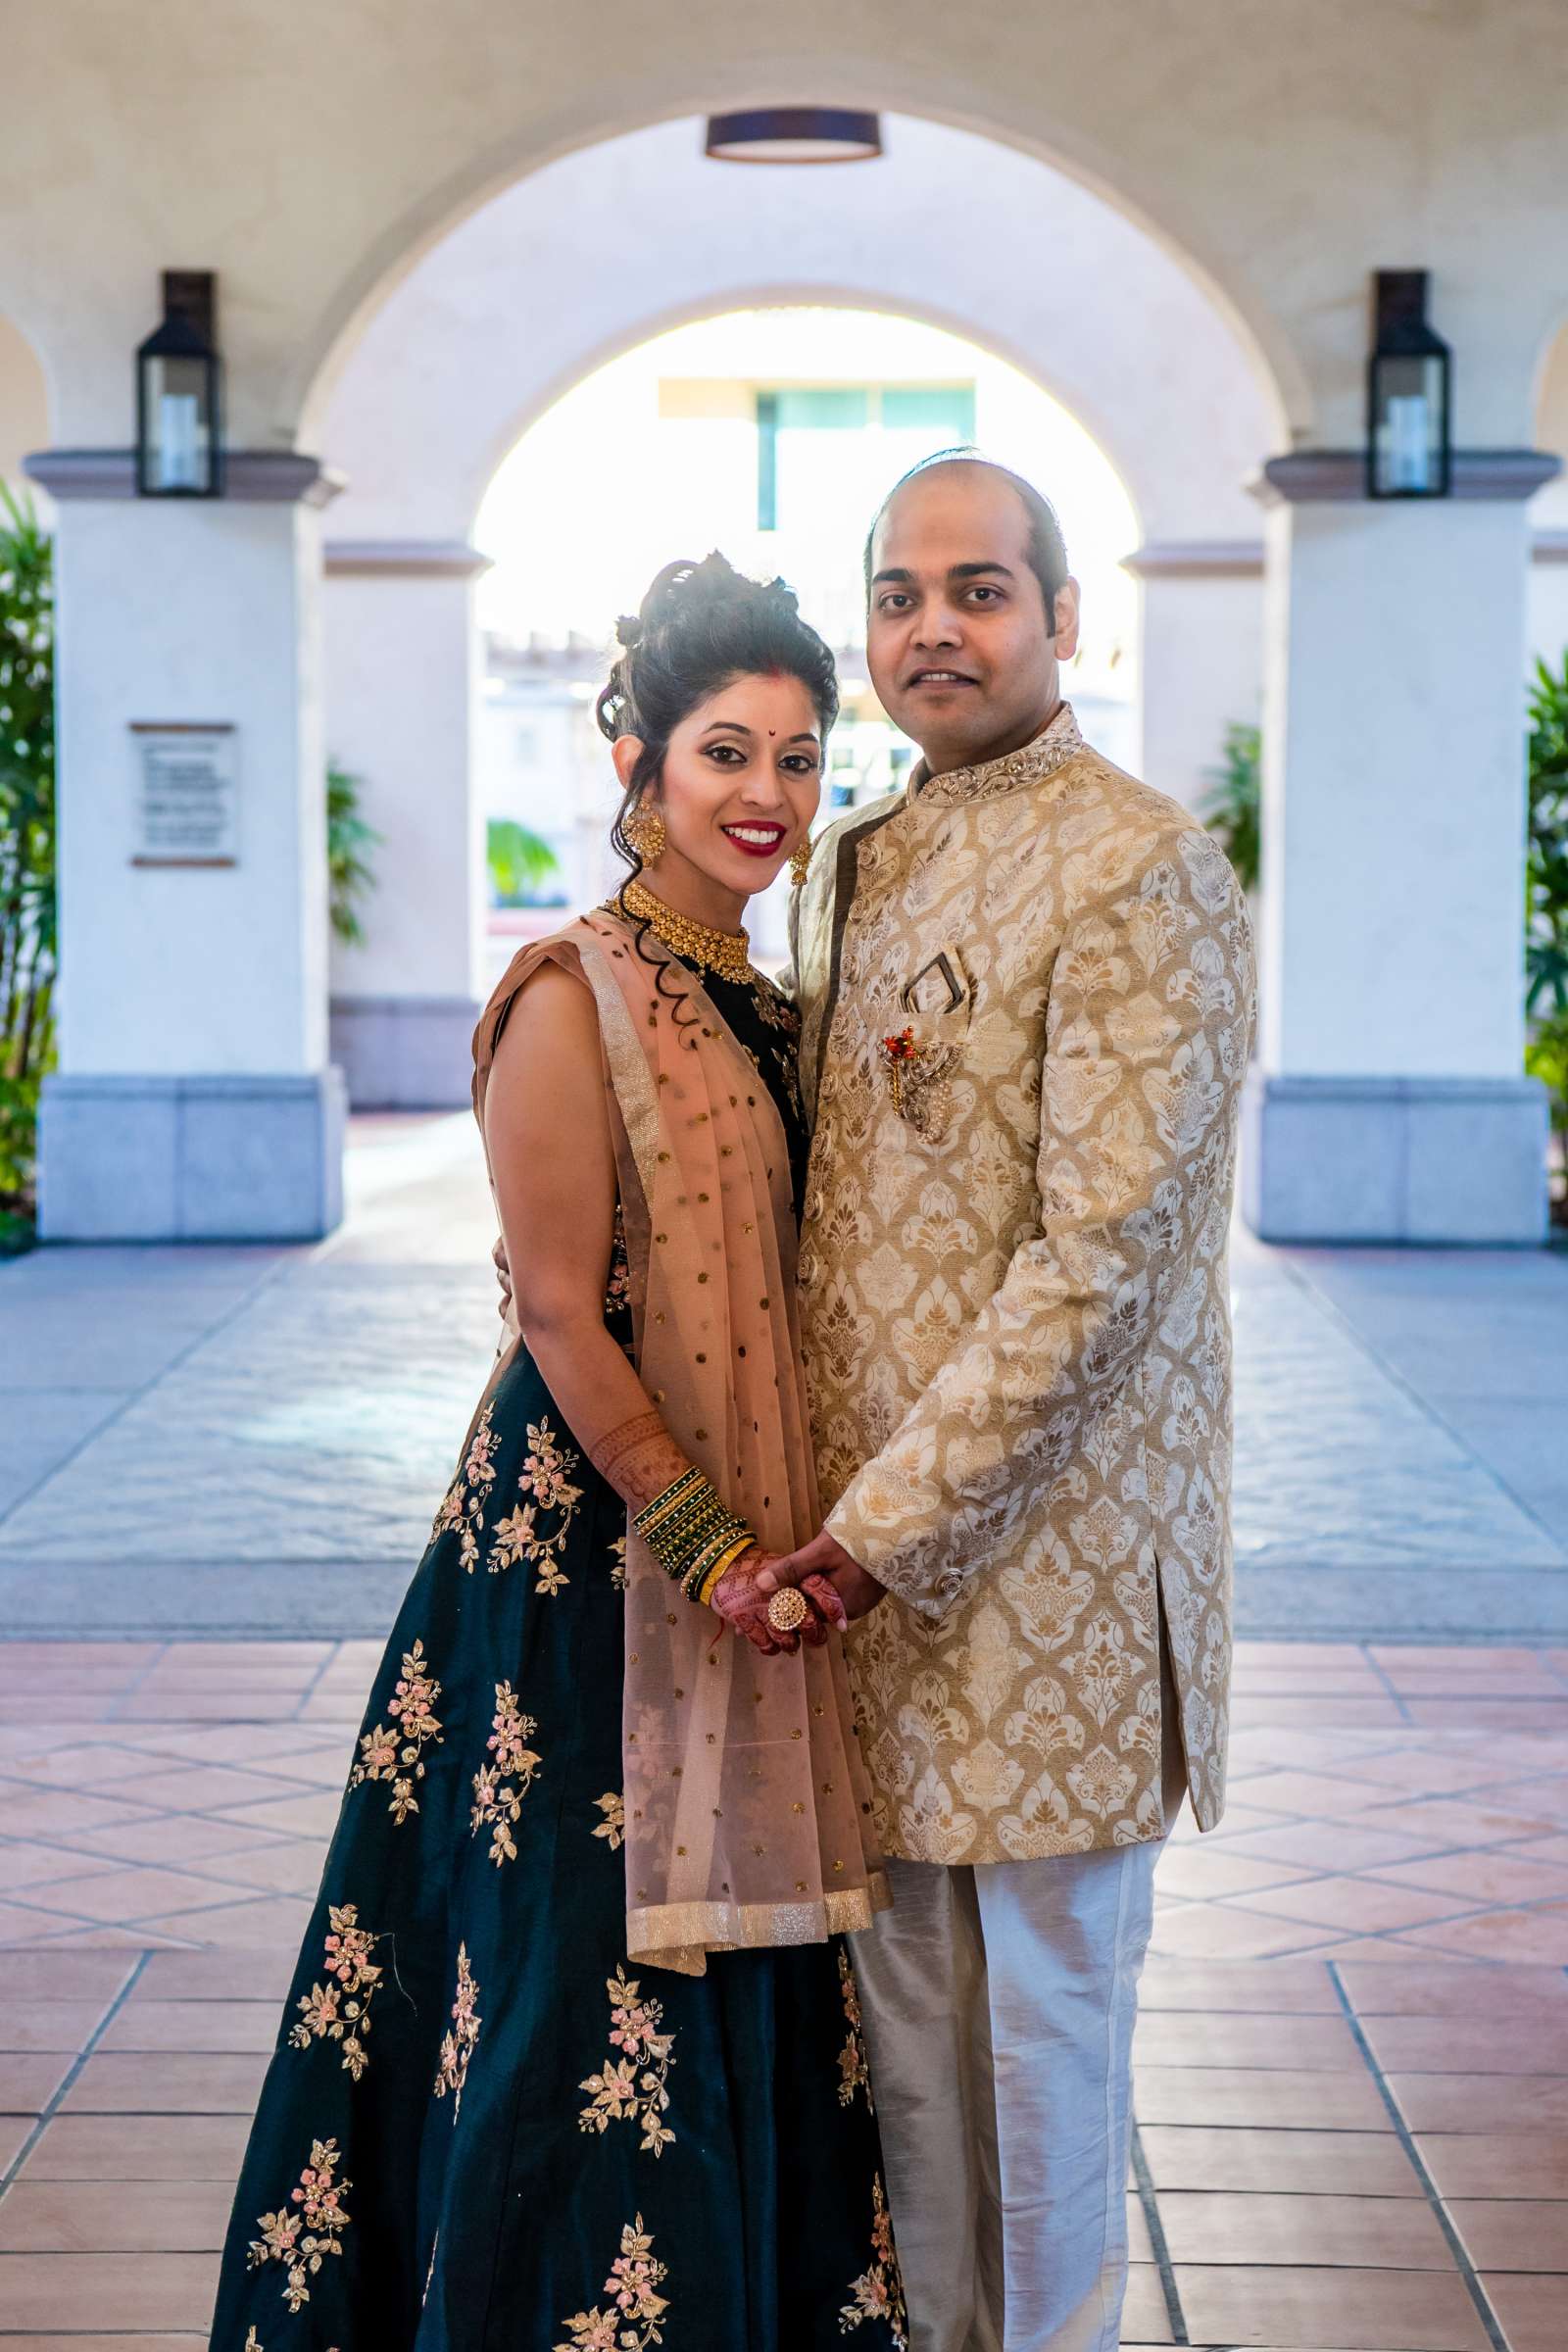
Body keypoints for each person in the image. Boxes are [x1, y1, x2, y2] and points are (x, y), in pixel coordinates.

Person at [207, 555, 907, 2352]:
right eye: (725, 752)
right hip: (581, 1570)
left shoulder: (772, 1002)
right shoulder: (568, 995)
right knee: (564, 1983)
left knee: (732, 1963)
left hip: (741, 1557)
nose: (766, 795)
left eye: (801, 758)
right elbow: (558, 1314)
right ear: (635, 757)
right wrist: (706, 1545)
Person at [754, 452, 1257, 2352]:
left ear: (1063, 619)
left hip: (1032, 1583)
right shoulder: (863, 858)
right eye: (897, 594)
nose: (931, 628)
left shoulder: (1141, 867)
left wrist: (873, 1535)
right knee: (906, 2070)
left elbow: (1099, 1266)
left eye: (977, 589)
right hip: (864, 1599)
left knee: (1040, 2066)